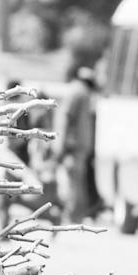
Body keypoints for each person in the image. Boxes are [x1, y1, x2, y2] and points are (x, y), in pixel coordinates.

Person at [51, 66, 97, 221]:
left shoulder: (75, 92)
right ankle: (76, 215)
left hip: (73, 146)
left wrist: (59, 145)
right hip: (77, 146)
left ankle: (72, 215)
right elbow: (68, 118)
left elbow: (65, 119)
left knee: (72, 183)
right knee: (76, 183)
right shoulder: (82, 93)